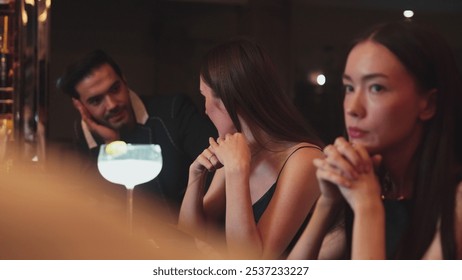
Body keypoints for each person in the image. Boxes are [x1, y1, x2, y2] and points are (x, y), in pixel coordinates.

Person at [288, 20, 462, 260]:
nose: (353, 109)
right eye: (349, 88)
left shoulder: (455, 202)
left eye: (376, 88)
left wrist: (367, 207)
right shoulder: (372, 181)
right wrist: (328, 203)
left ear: (429, 104)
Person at [177, 38, 324, 259]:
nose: (205, 110)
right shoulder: (238, 147)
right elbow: (188, 237)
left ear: (229, 100)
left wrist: (237, 172)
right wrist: (195, 176)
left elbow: (251, 262)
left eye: (204, 97)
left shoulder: (304, 159)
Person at [57, 49, 218, 222]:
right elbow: (106, 213)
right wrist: (112, 144)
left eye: (115, 89)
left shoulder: (174, 112)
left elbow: (217, 172)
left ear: (124, 80)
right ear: (79, 105)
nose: (111, 104)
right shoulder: (82, 141)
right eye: (96, 101)